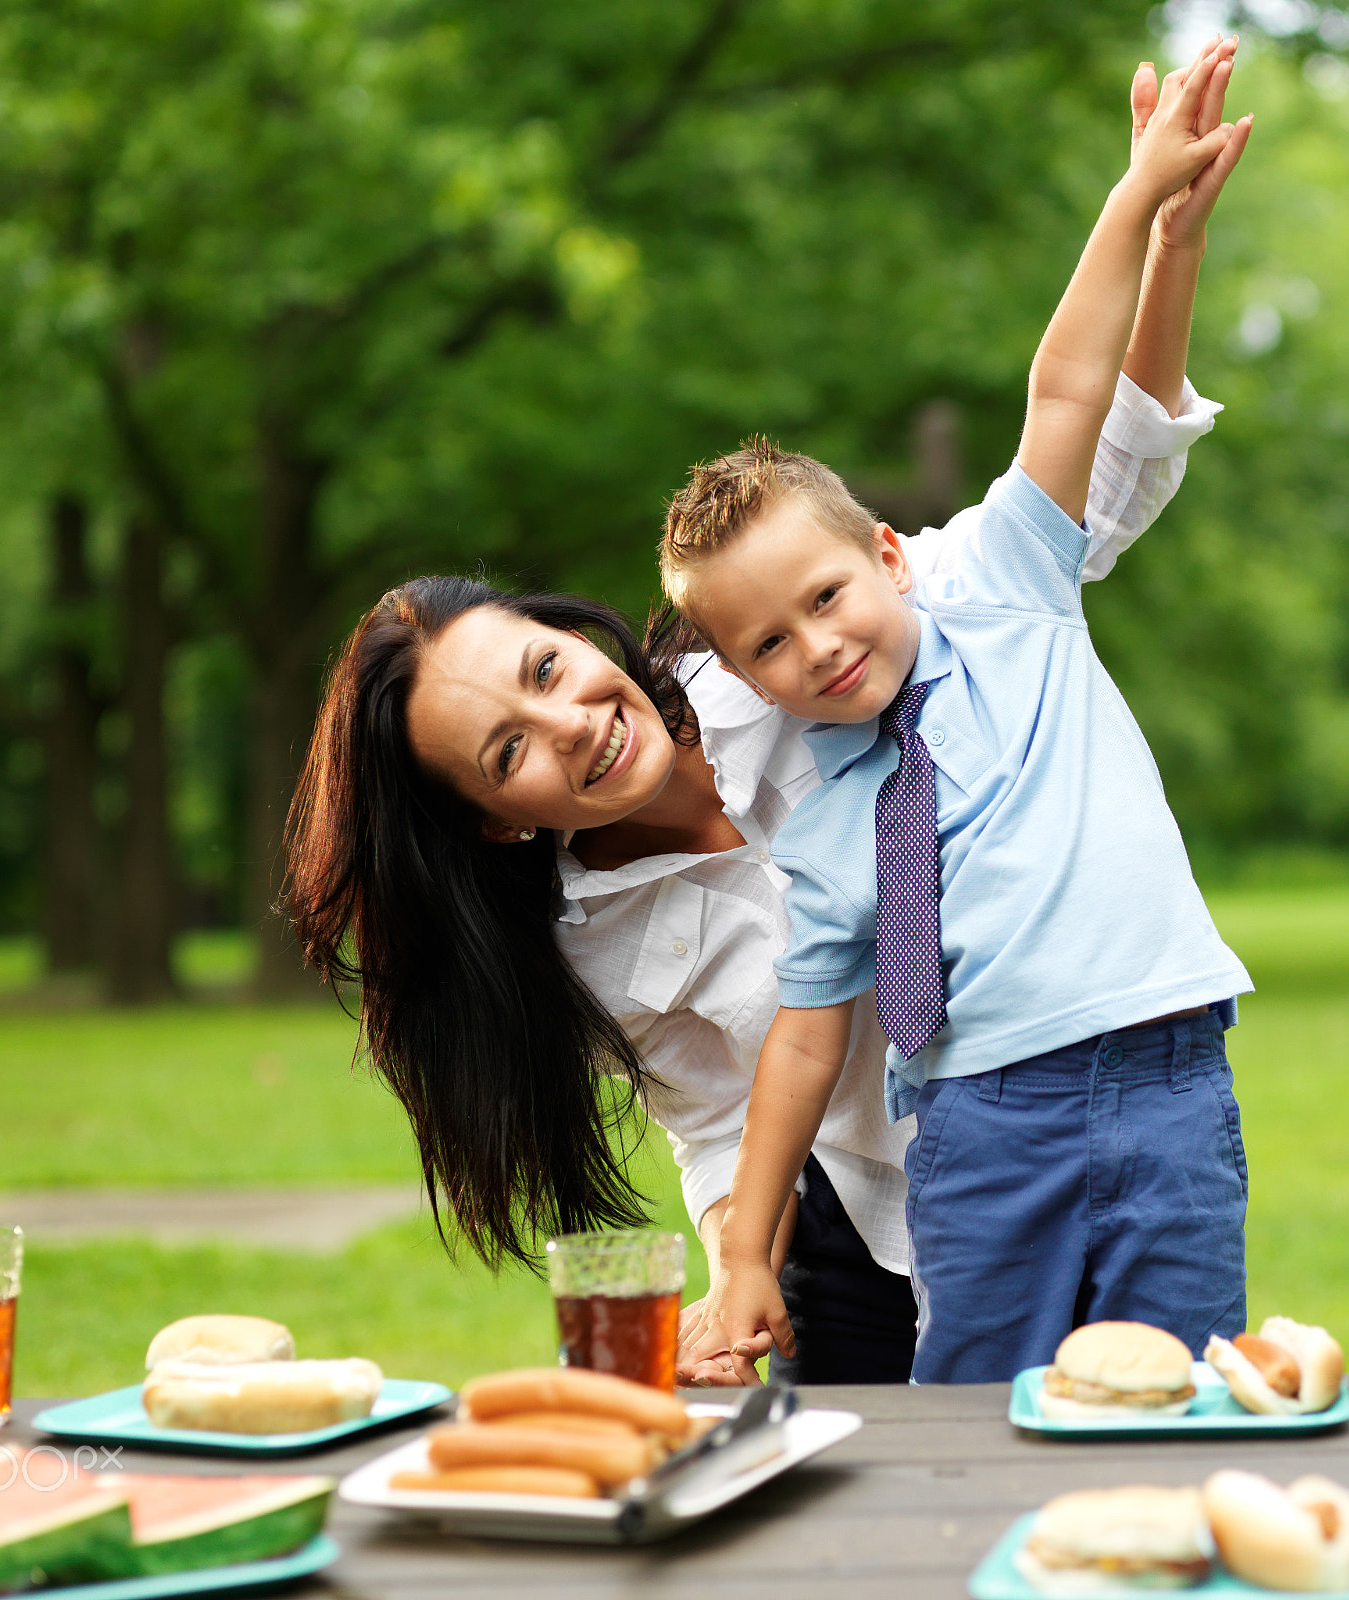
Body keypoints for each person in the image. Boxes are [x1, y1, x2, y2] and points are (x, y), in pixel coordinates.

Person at [282, 56, 1230, 1386]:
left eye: (548, 669)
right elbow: (727, 1113)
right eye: (510, 750)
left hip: (1109, 1093)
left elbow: (1092, 462)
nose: (574, 724)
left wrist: (1164, 238)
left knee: (1160, 1407)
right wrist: (740, 1268)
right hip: (859, 1225)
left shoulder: (818, 649)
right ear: (495, 822)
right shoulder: (594, 936)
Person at [663, 42, 1256, 1384]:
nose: (814, 648)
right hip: (985, 1127)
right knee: (977, 1421)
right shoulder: (821, 824)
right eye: (767, 643)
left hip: (1172, 1085)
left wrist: (1145, 209)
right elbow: (806, 1043)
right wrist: (748, 1251)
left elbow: (1067, 390)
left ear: (887, 554)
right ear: (742, 680)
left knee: (1176, 1397)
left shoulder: (1009, 585)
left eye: (823, 596)